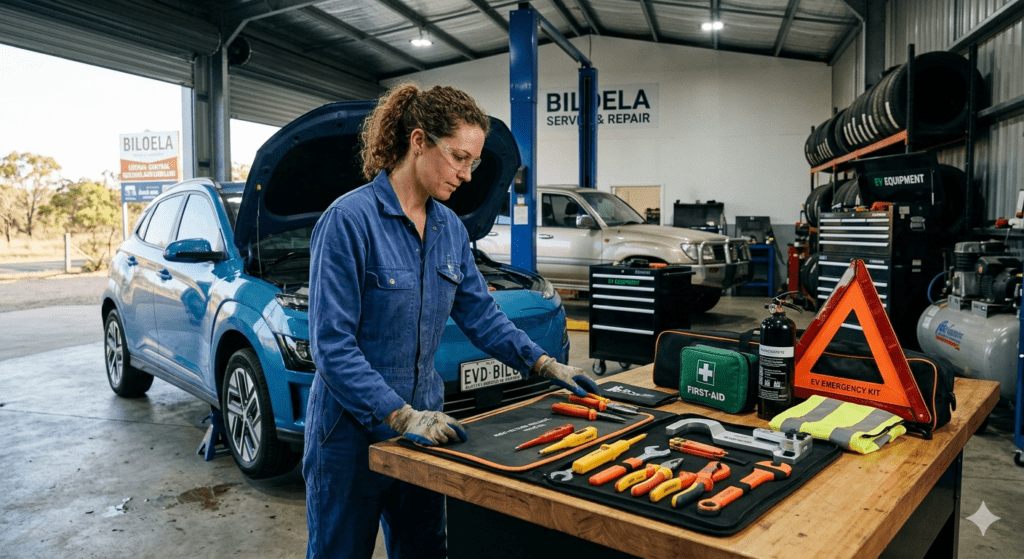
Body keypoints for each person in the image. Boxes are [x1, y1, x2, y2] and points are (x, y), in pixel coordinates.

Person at [303, 83, 599, 559]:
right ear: (418, 141)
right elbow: (332, 347)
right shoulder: (348, 222)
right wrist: (399, 415)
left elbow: (482, 314)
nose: (466, 174)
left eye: (474, 162)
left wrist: (544, 364)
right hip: (350, 437)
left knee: (425, 551)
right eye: (458, 157)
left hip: (428, 428)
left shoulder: (449, 229)